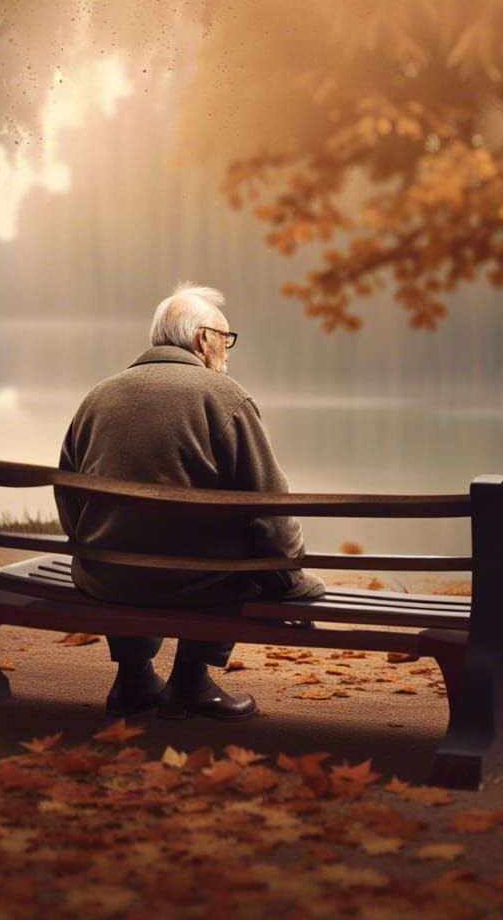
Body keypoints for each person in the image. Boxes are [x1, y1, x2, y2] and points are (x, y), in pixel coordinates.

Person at [55, 283, 325, 722]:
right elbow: (271, 511)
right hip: (195, 585)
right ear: (202, 339)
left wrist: (94, 546)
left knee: (129, 539)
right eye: (225, 339)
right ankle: (190, 681)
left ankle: (133, 680)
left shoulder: (97, 396)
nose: (227, 352)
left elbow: (69, 501)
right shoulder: (225, 397)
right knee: (246, 559)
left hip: (105, 578)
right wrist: (290, 579)